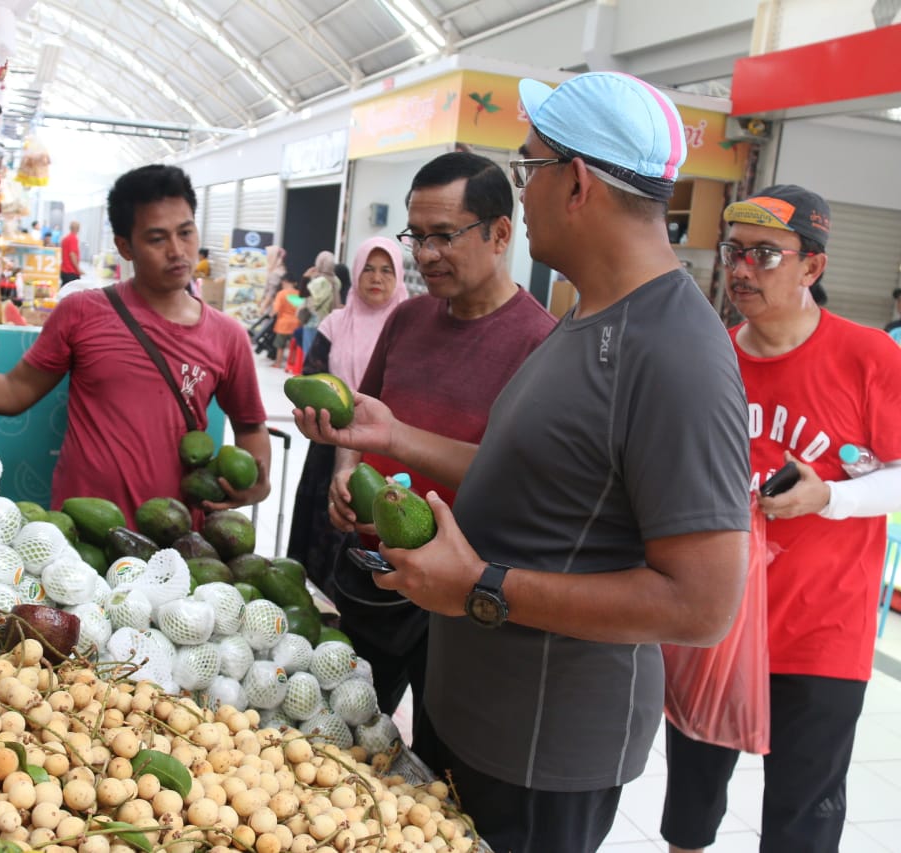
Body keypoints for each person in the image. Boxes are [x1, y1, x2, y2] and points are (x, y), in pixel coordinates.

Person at [292, 71, 752, 853]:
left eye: (526, 170)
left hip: (545, 745)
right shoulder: (588, 317)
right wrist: (394, 436)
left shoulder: (676, 353)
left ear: (574, 183)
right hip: (473, 708)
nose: (522, 194)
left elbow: (703, 603)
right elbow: (531, 479)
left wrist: (481, 587)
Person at [660, 186, 901, 853]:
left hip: (822, 635)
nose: (742, 269)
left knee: (801, 817)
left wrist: (831, 496)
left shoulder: (869, 357)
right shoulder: (705, 358)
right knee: (690, 802)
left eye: (766, 253)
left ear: (812, 268)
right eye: (735, 252)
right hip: (711, 621)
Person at [304, 164, 556, 751]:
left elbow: (522, 483)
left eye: (444, 235)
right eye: (416, 236)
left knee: (445, 757)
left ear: (500, 233)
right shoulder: (408, 319)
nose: (426, 254)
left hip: (459, 593)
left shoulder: (540, 345)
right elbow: (362, 421)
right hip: (372, 572)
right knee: (343, 735)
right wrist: (344, 477)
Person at [0, 164, 272, 525]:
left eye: (186, 232)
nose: (177, 250)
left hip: (174, 535)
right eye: (157, 238)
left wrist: (258, 485)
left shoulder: (228, 336)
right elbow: (14, 390)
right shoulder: (82, 312)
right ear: (124, 247)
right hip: (81, 534)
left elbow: (250, 426)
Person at [286, 236, 414, 590]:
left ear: (399, 276)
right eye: (369, 269)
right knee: (325, 534)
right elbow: (310, 379)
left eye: (387, 270)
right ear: (355, 273)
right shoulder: (335, 324)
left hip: (388, 450)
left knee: (377, 546)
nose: (377, 278)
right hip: (331, 445)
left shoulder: (412, 328)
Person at [300, 251, 339, 353]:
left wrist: (305, 277)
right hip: (328, 322)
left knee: (309, 352)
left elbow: (303, 294)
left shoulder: (318, 282)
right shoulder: (336, 281)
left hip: (313, 321)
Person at [269, 271, 301, 368]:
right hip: (296, 324)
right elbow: (300, 309)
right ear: (294, 283)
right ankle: (292, 364)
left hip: (283, 324)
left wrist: (271, 314)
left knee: (280, 346)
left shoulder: (281, 294)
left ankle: (278, 363)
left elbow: (276, 309)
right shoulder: (299, 294)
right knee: (294, 346)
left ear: (284, 282)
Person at [59, 221, 82, 285]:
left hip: (64, 270)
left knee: (64, 290)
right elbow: (72, 255)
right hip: (71, 271)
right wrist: (78, 269)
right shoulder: (73, 238)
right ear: (77, 229)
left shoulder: (65, 239)